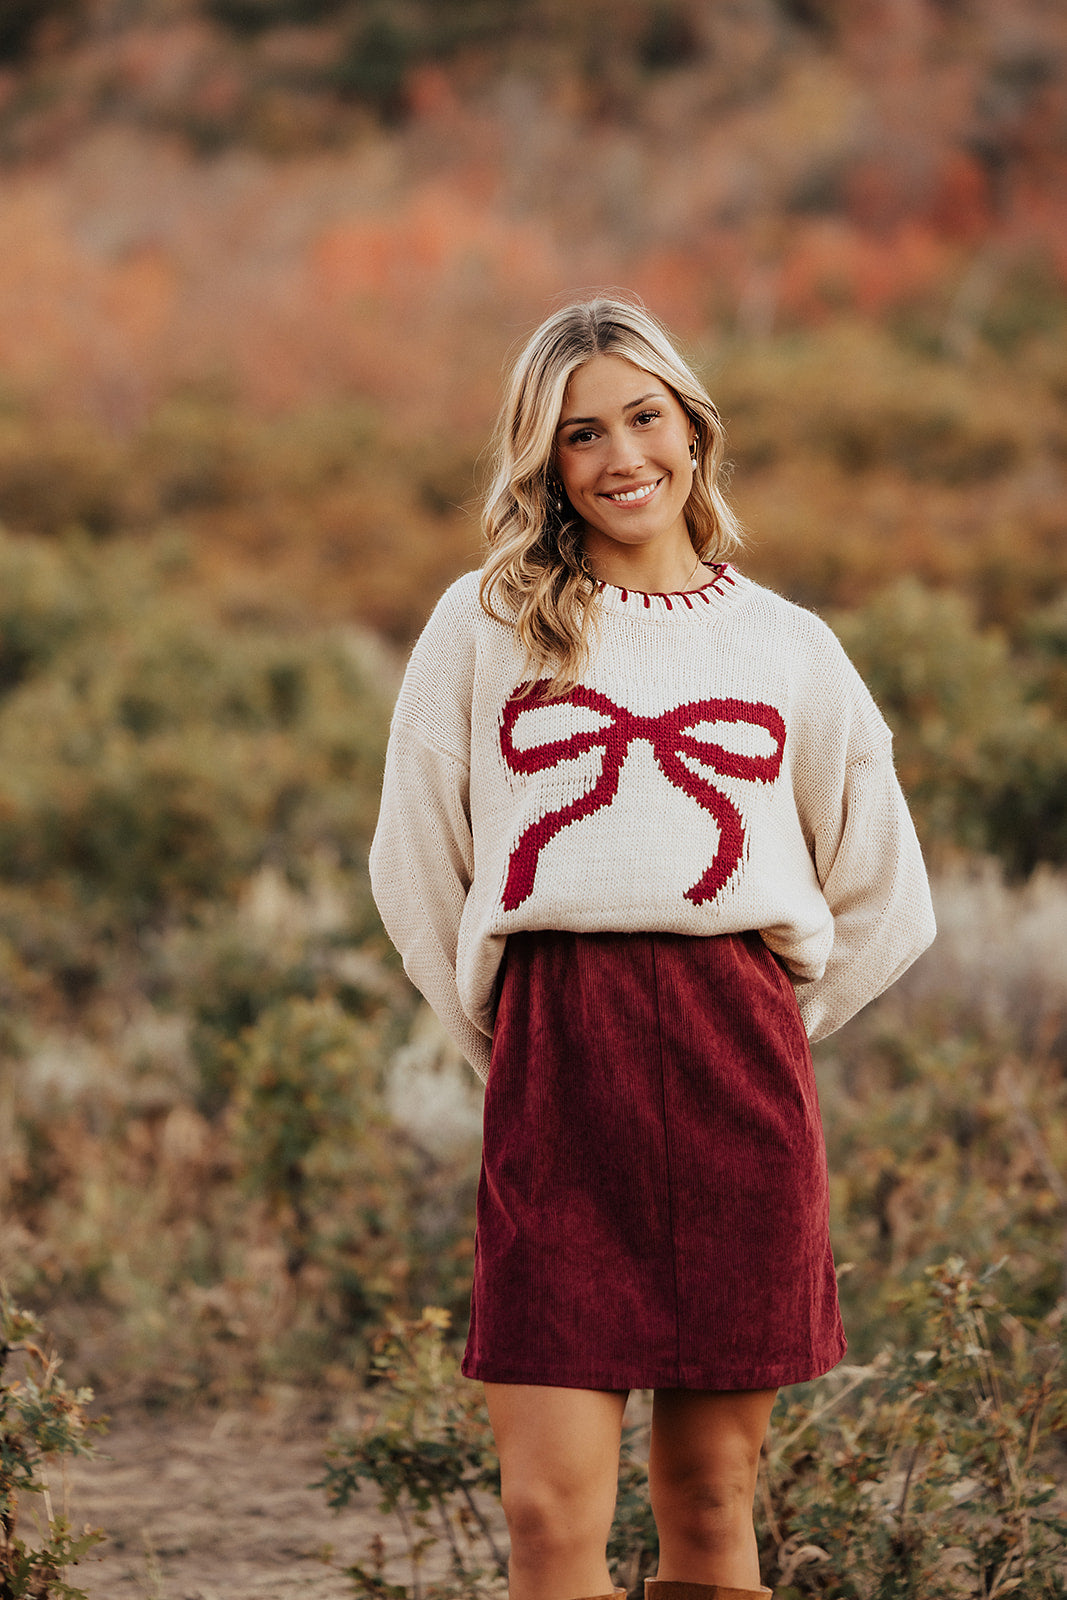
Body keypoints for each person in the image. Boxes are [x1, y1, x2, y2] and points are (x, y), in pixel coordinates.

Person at [369, 295, 935, 1600]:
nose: (622, 456)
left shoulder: (790, 645)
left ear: (693, 427)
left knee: (711, 1503)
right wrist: (515, 1038)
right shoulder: (484, 621)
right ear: (546, 462)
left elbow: (884, 891)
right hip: (555, 1068)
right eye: (581, 435)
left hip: (738, 1070)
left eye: (644, 417)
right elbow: (414, 866)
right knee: (548, 1515)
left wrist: (759, 1028)